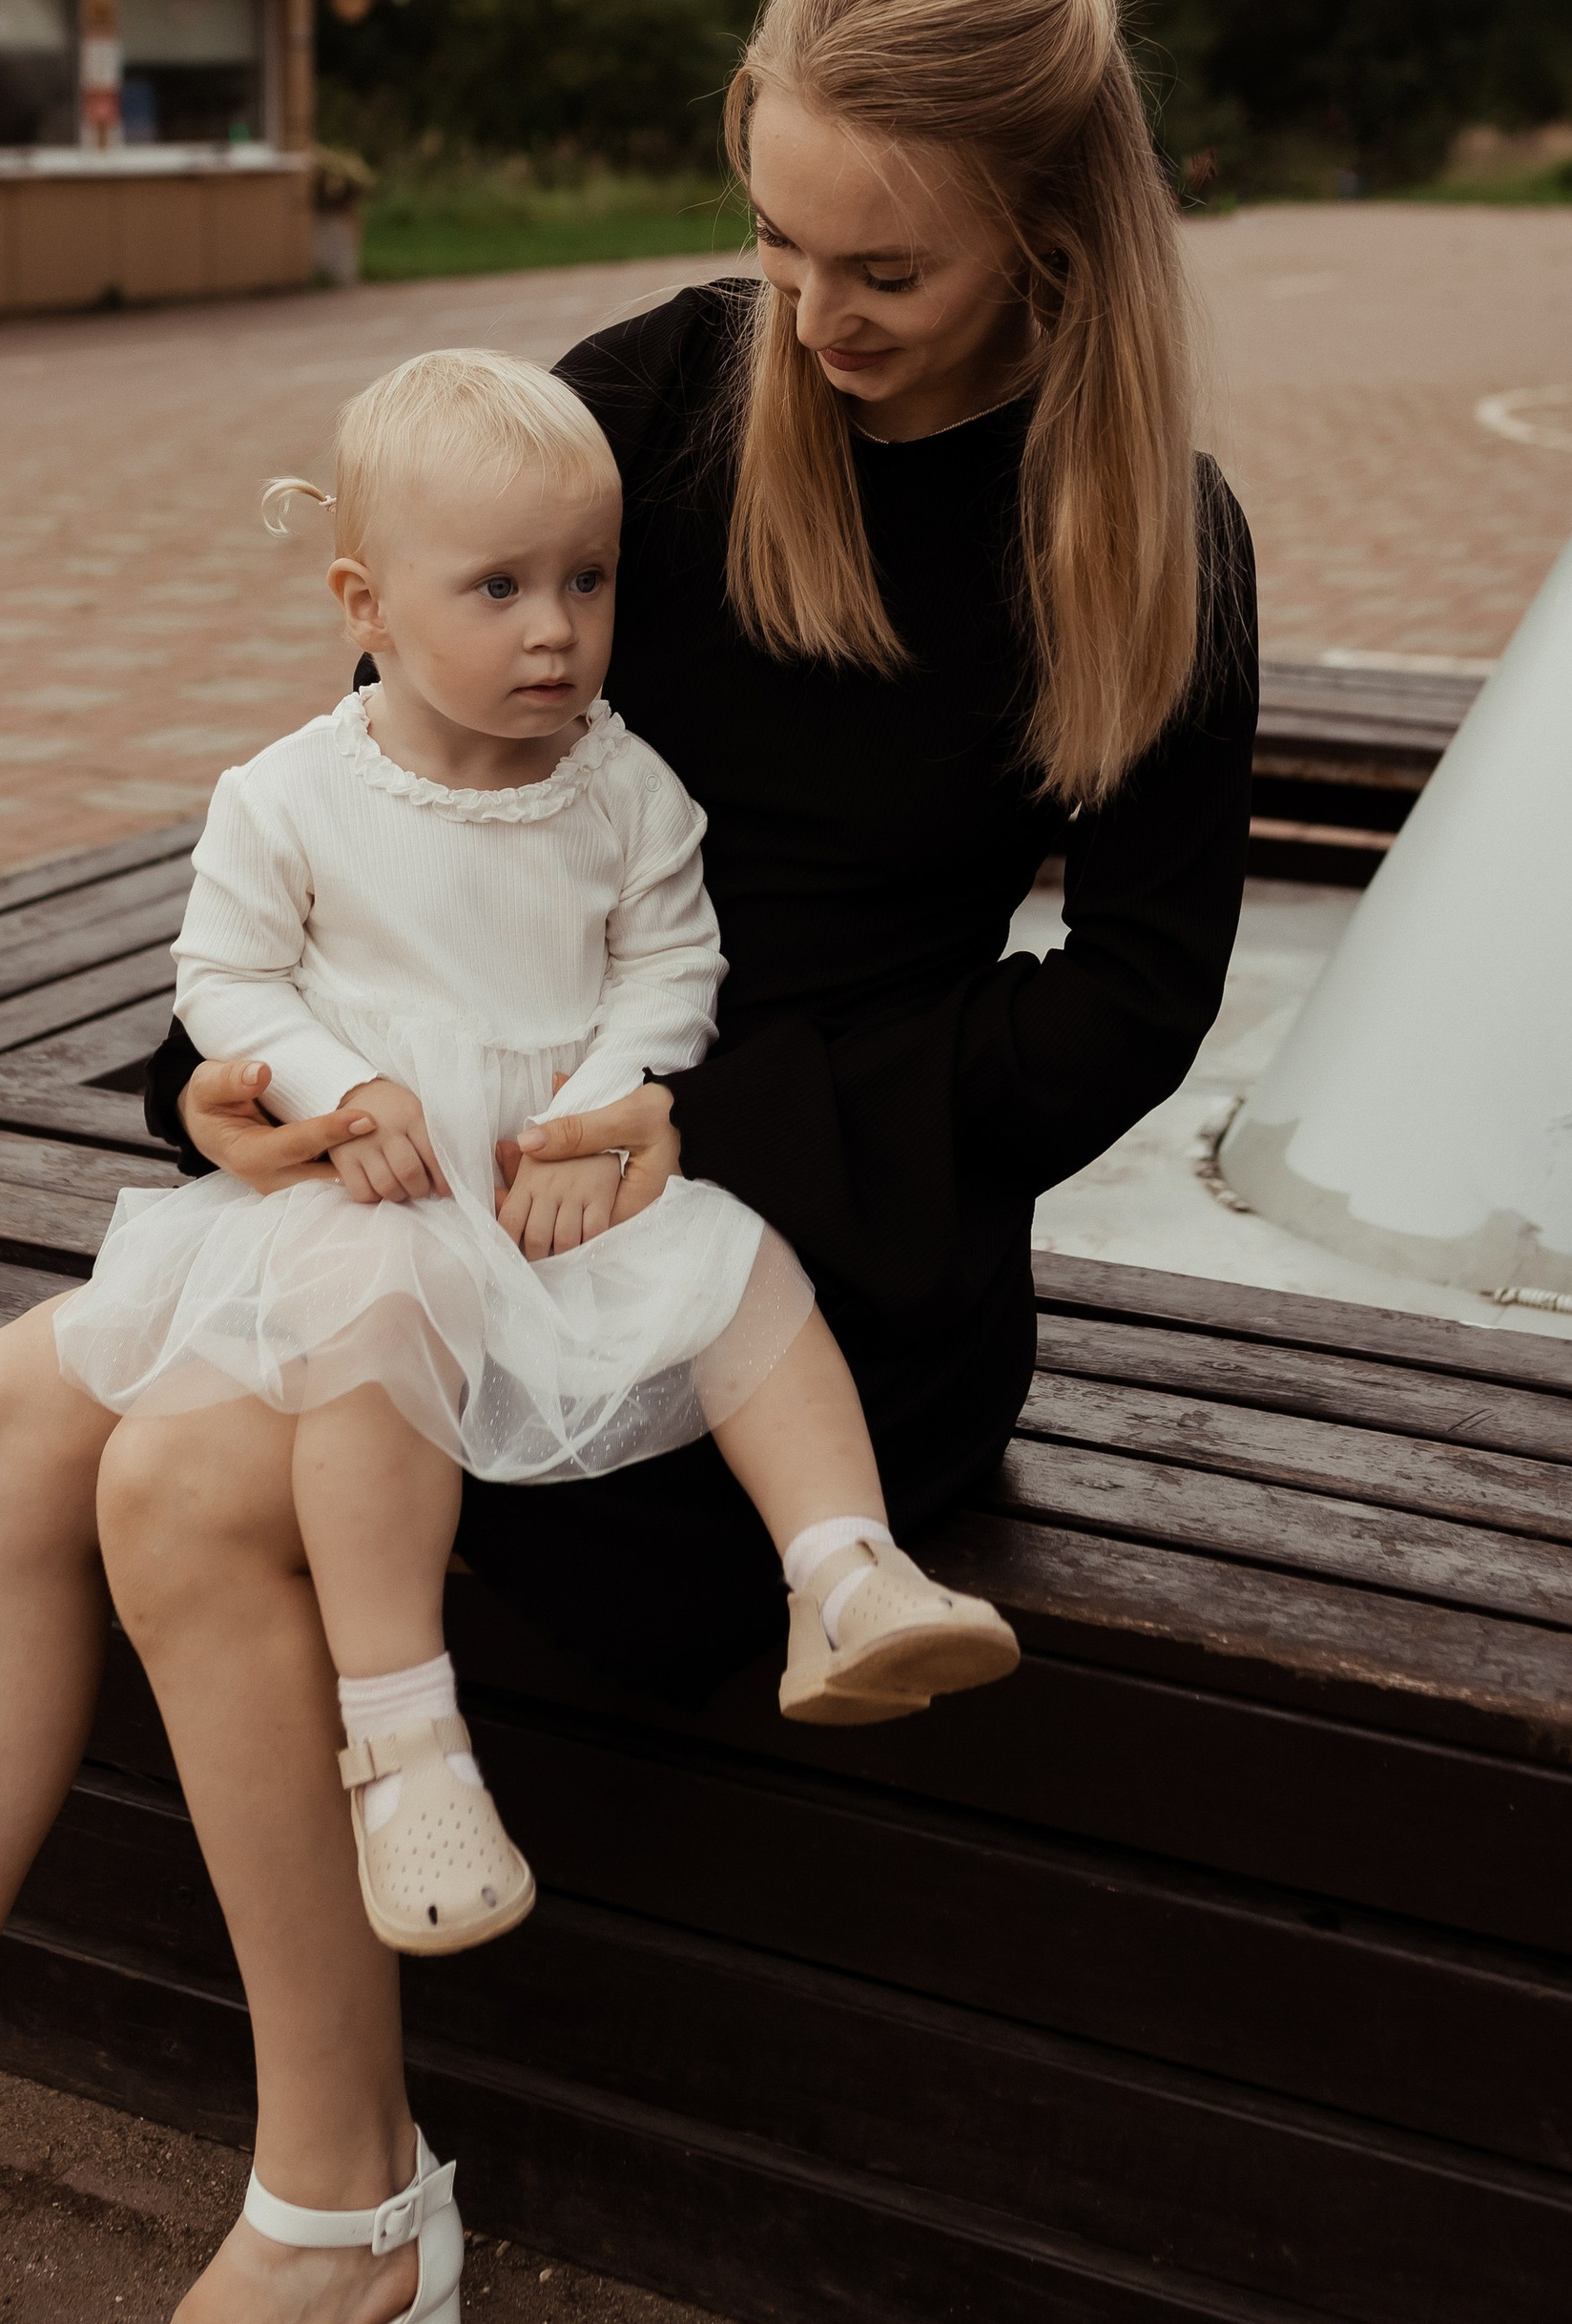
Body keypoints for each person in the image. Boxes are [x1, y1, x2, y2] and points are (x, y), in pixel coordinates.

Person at [0, 0, 1254, 2324]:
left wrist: (695, 1122)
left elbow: (1136, 1003)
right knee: (8, 1416)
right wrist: (239, 1094)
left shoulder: (1142, 525)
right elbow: (392, 777)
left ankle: (339, 2212)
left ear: (1052, 245)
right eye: (772, 237)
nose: (808, 323)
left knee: (181, 1465)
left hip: (806, 1292)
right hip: (459, 1196)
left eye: (885, 274)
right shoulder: (658, 394)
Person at [55, 348, 1019, 1959]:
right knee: (367, 1344)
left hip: (559, 1177)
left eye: (587, 579)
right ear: (365, 603)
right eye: (497, 588)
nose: (556, 629)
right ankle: (406, 1733)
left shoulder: (625, 787)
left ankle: (848, 1575)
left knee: (739, 1268)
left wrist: (605, 1104)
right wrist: (341, 1087)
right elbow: (223, 980)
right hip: (394, 1187)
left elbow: (670, 968)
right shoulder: (290, 794)